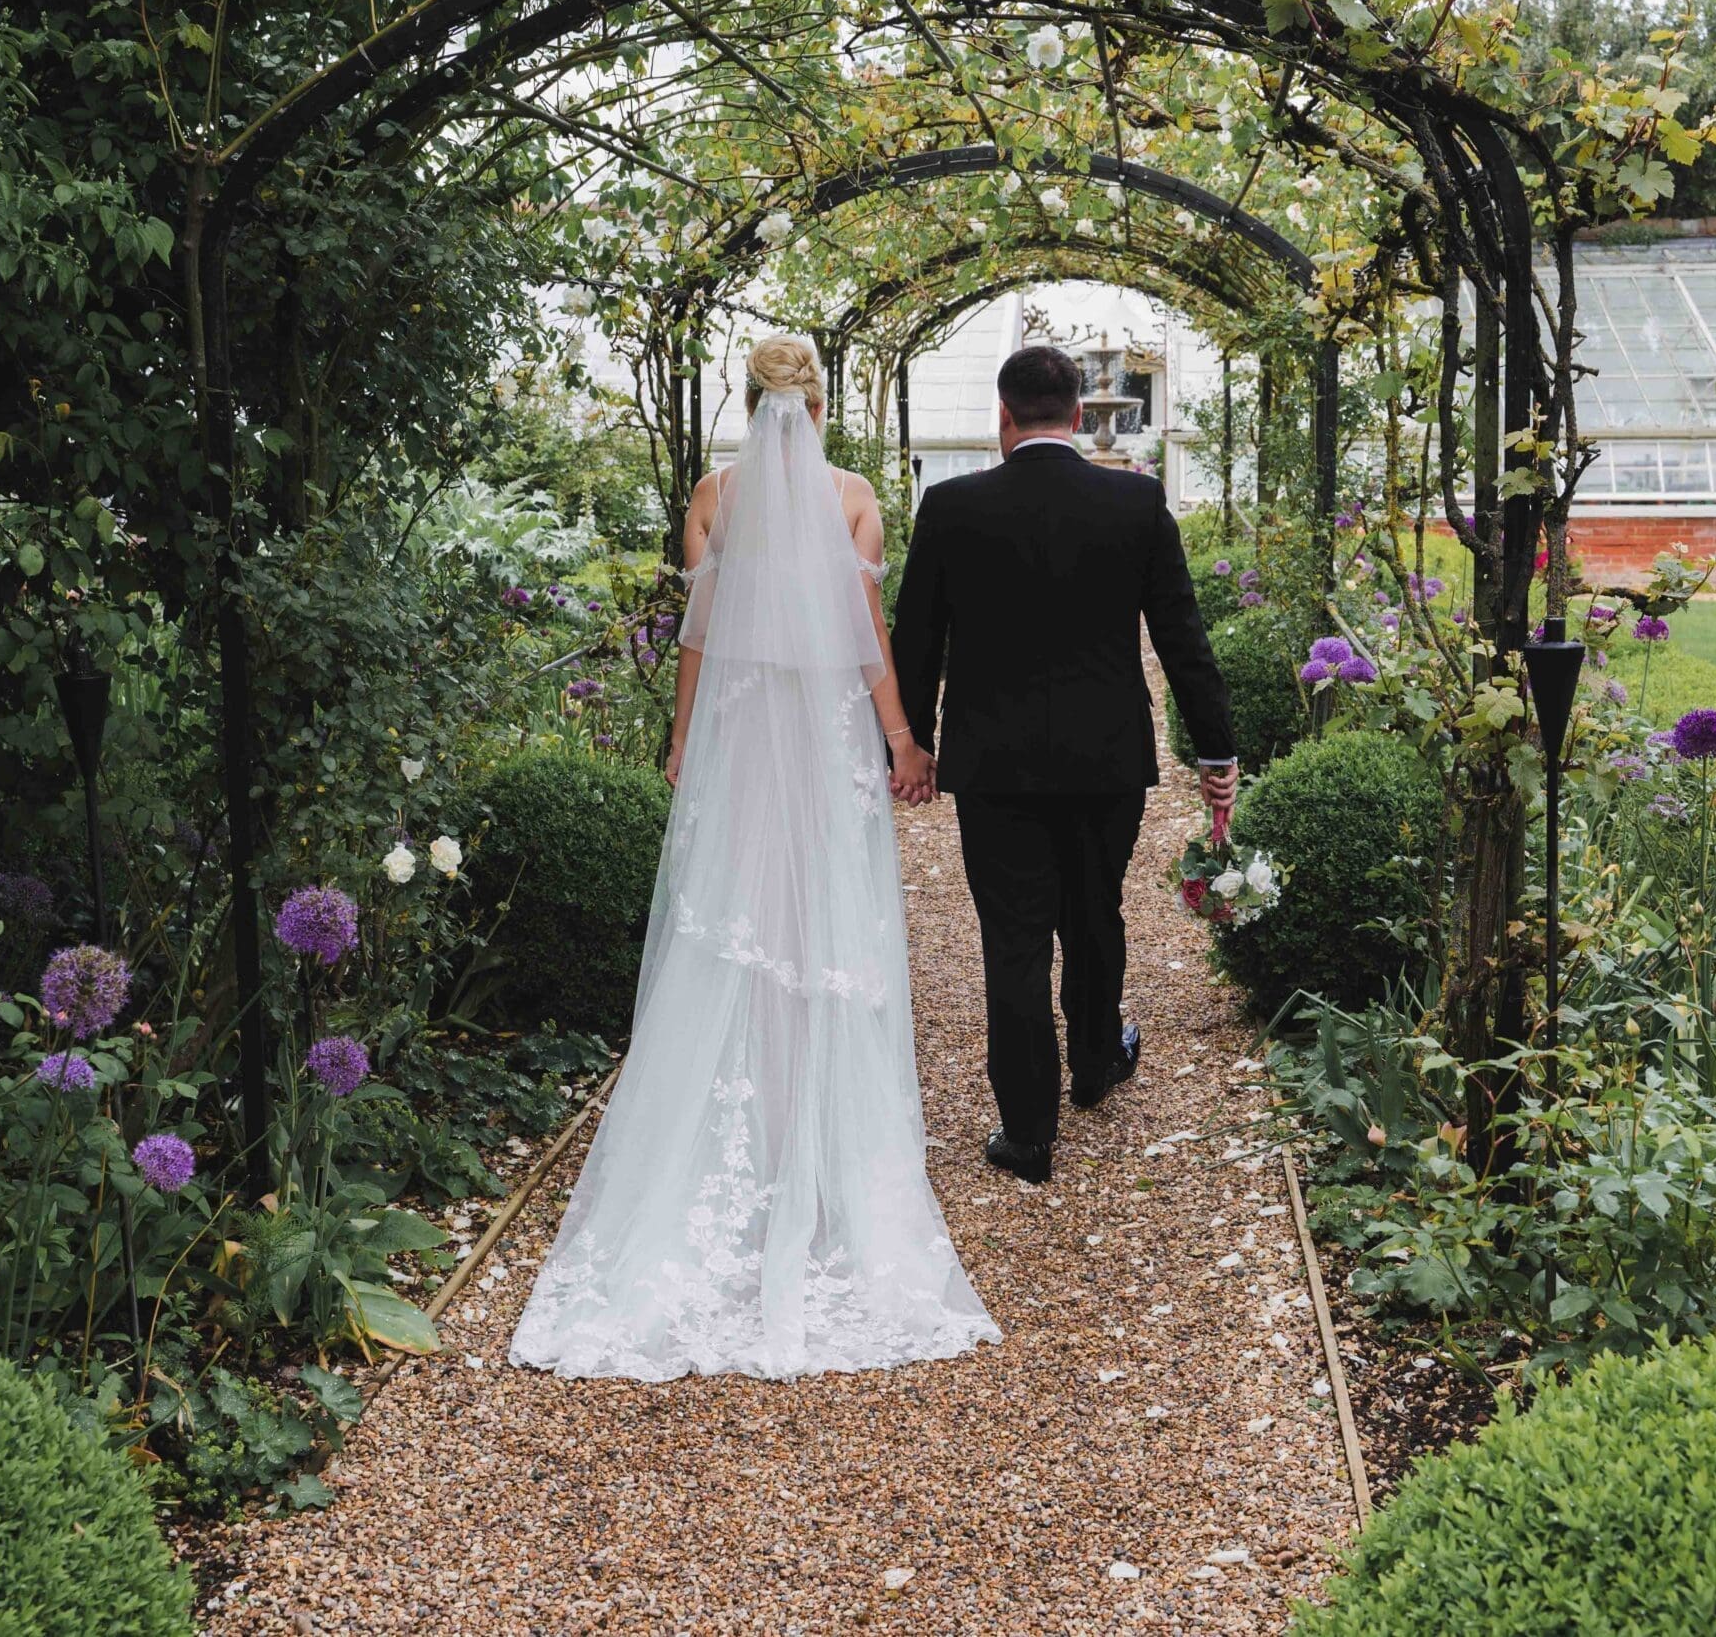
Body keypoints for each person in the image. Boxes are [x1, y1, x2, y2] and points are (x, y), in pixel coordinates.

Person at [508, 335, 1000, 1381]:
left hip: (741, 737)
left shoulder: (714, 494)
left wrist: (685, 737)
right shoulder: (857, 494)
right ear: (817, 405)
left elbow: (697, 632)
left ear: (745, 404)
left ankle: (735, 1127)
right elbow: (867, 634)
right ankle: (815, 1141)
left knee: (732, 923)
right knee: (821, 924)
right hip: (822, 744)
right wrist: (902, 738)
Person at [888, 344, 1238, 1185]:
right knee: (1095, 912)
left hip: (994, 764)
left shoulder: (950, 505)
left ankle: (1028, 1133)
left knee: (1012, 941)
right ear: (1079, 415)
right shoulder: (1136, 499)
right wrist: (1216, 748)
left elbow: (916, 641)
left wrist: (911, 745)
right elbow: (1183, 640)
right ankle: (1093, 1060)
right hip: (1108, 759)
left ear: (1002, 418)